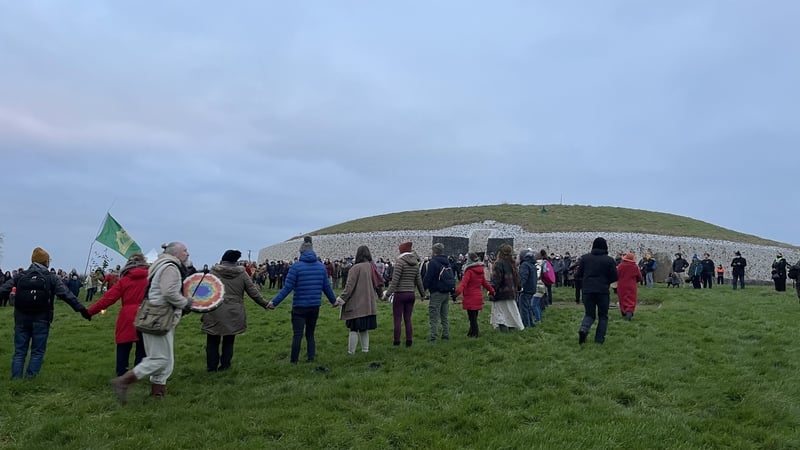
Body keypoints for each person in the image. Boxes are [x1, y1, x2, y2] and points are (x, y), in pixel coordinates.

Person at [111, 242, 196, 403]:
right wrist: (186, 303)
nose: (187, 253)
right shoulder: (170, 267)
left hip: (155, 316)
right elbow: (169, 292)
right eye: (185, 250)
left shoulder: (161, 265)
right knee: (160, 359)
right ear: (176, 253)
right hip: (159, 318)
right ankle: (123, 381)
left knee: (166, 359)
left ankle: (158, 394)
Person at [0, 247, 92, 379]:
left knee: (19, 351)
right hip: (42, 318)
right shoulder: (51, 277)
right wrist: (83, 310)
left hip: (21, 318)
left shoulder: (20, 276)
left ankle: (16, 379)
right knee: (37, 351)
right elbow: (67, 295)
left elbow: (3, 290)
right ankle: (30, 380)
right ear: (46, 262)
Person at [268, 237, 339, 363]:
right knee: (310, 334)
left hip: (299, 306)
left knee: (297, 335)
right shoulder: (321, 267)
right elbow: (326, 287)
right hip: (314, 306)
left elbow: (287, 288)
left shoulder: (295, 267)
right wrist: (333, 301)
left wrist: (274, 302)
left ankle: (294, 361)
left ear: (301, 253)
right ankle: (311, 358)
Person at [203, 250, 269, 371]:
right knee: (229, 340)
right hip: (234, 311)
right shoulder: (242, 274)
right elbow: (253, 293)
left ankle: (211, 367)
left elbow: (203, 292)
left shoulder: (213, 273)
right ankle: (225, 365)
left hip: (214, 310)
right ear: (236, 261)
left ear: (223, 260)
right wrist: (265, 304)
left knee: (212, 340)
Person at [87, 253, 149, 376]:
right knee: (142, 346)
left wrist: (89, 312)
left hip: (127, 316)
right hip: (146, 314)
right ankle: (138, 374)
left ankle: (121, 373)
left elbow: (108, 299)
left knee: (123, 346)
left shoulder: (124, 281)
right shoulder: (150, 278)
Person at [575, 237, 618, 344]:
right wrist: (606, 281)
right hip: (602, 291)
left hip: (587, 290)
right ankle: (599, 340)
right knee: (603, 316)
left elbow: (578, 274)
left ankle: (584, 329)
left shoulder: (585, 258)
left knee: (589, 314)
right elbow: (614, 277)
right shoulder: (609, 260)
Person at [383, 241, 426, 347]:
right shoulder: (415, 263)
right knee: (408, 319)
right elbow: (419, 280)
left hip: (400, 294)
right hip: (411, 294)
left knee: (397, 319)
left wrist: (387, 294)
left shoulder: (400, 262)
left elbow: (395, 281)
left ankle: (396, 341)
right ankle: (409, 341)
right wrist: (422, 294)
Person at [337, 245, 378, 354]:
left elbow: (349, 287)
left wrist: (341, 299)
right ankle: (365, 350)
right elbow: (378, 283)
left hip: (356, 304)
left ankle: (351, 352)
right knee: (364, 328)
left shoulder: (355, 268)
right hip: (368, 304)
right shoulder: (372, 267)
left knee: (354, 328)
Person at [453, 253, 495, 337]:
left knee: (472, 318)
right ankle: (470, 333)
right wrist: (492, 291)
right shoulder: (480, 271)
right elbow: (485, 283)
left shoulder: (469, 272)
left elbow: (463, 284)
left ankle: (475, 334)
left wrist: (456, 293)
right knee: (474, 317)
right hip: (478, 297)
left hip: (470, 297)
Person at [422, 243, 453, 342]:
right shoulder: (447, 262)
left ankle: (433, 337)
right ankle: (445, 335)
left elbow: (428, 278)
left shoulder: (433, 262)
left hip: (436, 292)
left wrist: (423, 290)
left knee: (434, 315)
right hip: (446, 292)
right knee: (444, 316)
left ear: (434, 251)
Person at [489, 244, 524, 332]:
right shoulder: (512, 263)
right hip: (511, 292)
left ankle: (504, 333)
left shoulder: (499, 264)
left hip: (501, 293)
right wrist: (519, 287)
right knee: (511, 313)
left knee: (500, 315)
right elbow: (517, 278)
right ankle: (512, 332)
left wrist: (491, 290)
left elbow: (497, 280)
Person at [616, 252, 643, 321]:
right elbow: (640, 277)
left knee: (622, 298)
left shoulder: (621, 265)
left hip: (621, 285)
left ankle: (623, 312)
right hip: (631, 285)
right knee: (631, 299)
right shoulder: (635, 267)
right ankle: (629, 313)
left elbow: (616, 275)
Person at [517, 249, 538, 328]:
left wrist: (520, 286)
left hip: (526, 289)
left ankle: (526, 324)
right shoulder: (532, 264)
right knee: (528, 307)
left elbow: (523, 277)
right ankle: (531, 323)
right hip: (532, 288)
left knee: (524, 308)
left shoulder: (525, 265)